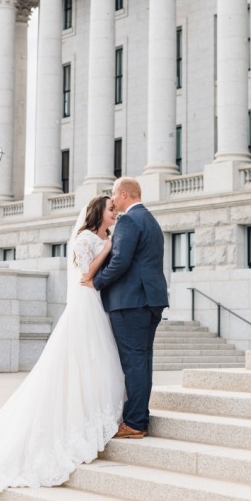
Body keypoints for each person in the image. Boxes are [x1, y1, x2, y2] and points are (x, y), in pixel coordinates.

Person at [0, 195, 125, 501]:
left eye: (116, 209)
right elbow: (85, 275)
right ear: (98, 212)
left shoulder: (108, 235)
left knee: (100, 358)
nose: (115, 213)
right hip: (86, 303)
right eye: (111, 209)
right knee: (82, 355)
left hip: (100, 304)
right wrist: (106, 249)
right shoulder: (85, 238)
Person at [88, 178, 169, 438]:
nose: (112, 200)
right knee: (142, 360)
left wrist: (95, 282)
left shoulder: (129, 221)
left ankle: (134, 422)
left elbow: (120, 260)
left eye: (114, 195)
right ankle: (138, 417)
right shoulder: (151, 220)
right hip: (150, 300)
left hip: (130, 301)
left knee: (134, 361)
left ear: (124, 194)